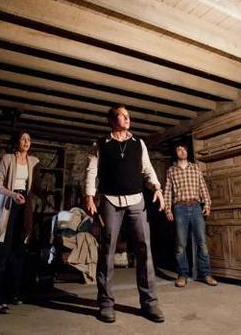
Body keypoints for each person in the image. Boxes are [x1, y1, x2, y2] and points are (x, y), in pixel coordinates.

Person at [85, 104, 166, 324]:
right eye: (122, 115)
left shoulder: (139, 143)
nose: (127, 118)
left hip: (136, 200)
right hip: (110, 201)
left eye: (128, 115)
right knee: (107, 251)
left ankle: (150, 303)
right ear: (112, 120)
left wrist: (157, 188)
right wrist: (89, 196)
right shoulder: (100, 144)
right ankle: (106, 303)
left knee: (144, 249)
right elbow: (91, 171)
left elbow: (147, 169)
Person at [0, 130, 40, 314]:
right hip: (8, 206)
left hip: (23, 207)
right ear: (16, 141)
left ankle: (13, 293)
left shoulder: (33, 162)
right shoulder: (7, 159)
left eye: (29, 139)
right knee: (2, 251)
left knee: (19, 250)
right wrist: (12, 194)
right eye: (23, 139)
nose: (26, 141)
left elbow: (35, 187)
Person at [164, 144, 217, 288]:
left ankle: (206, 274)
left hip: (195, 207)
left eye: (184, 149)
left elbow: (202, 186)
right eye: (179, 149)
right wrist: (168, 209)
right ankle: (182, 275)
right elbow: (167, 191)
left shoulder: (195, 168)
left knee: (202, 243)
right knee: (181, 244)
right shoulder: (171, 171)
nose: (182, 152)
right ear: (175, 153)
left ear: (187, 152)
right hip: (179, 208)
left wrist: (207, 204)